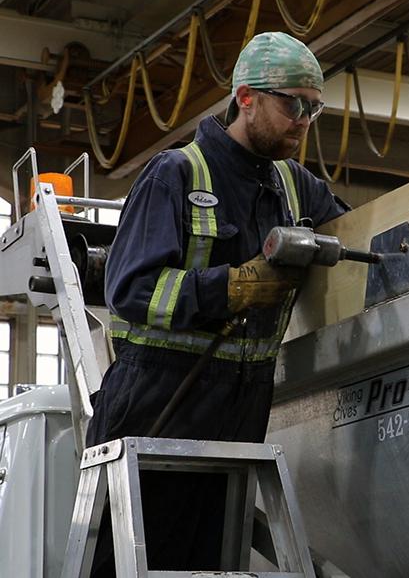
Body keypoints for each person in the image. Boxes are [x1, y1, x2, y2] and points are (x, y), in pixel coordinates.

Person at [85, 32, 347, 575]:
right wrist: (228, 287)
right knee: (136, 560)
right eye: (292, 104)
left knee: (214, 564)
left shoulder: (296, 186)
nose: (303, 119)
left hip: (242, 404)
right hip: (158, 400)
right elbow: (129, 291)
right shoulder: (177, 174)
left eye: (314, 108)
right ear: (246, 98)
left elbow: (359, 233)